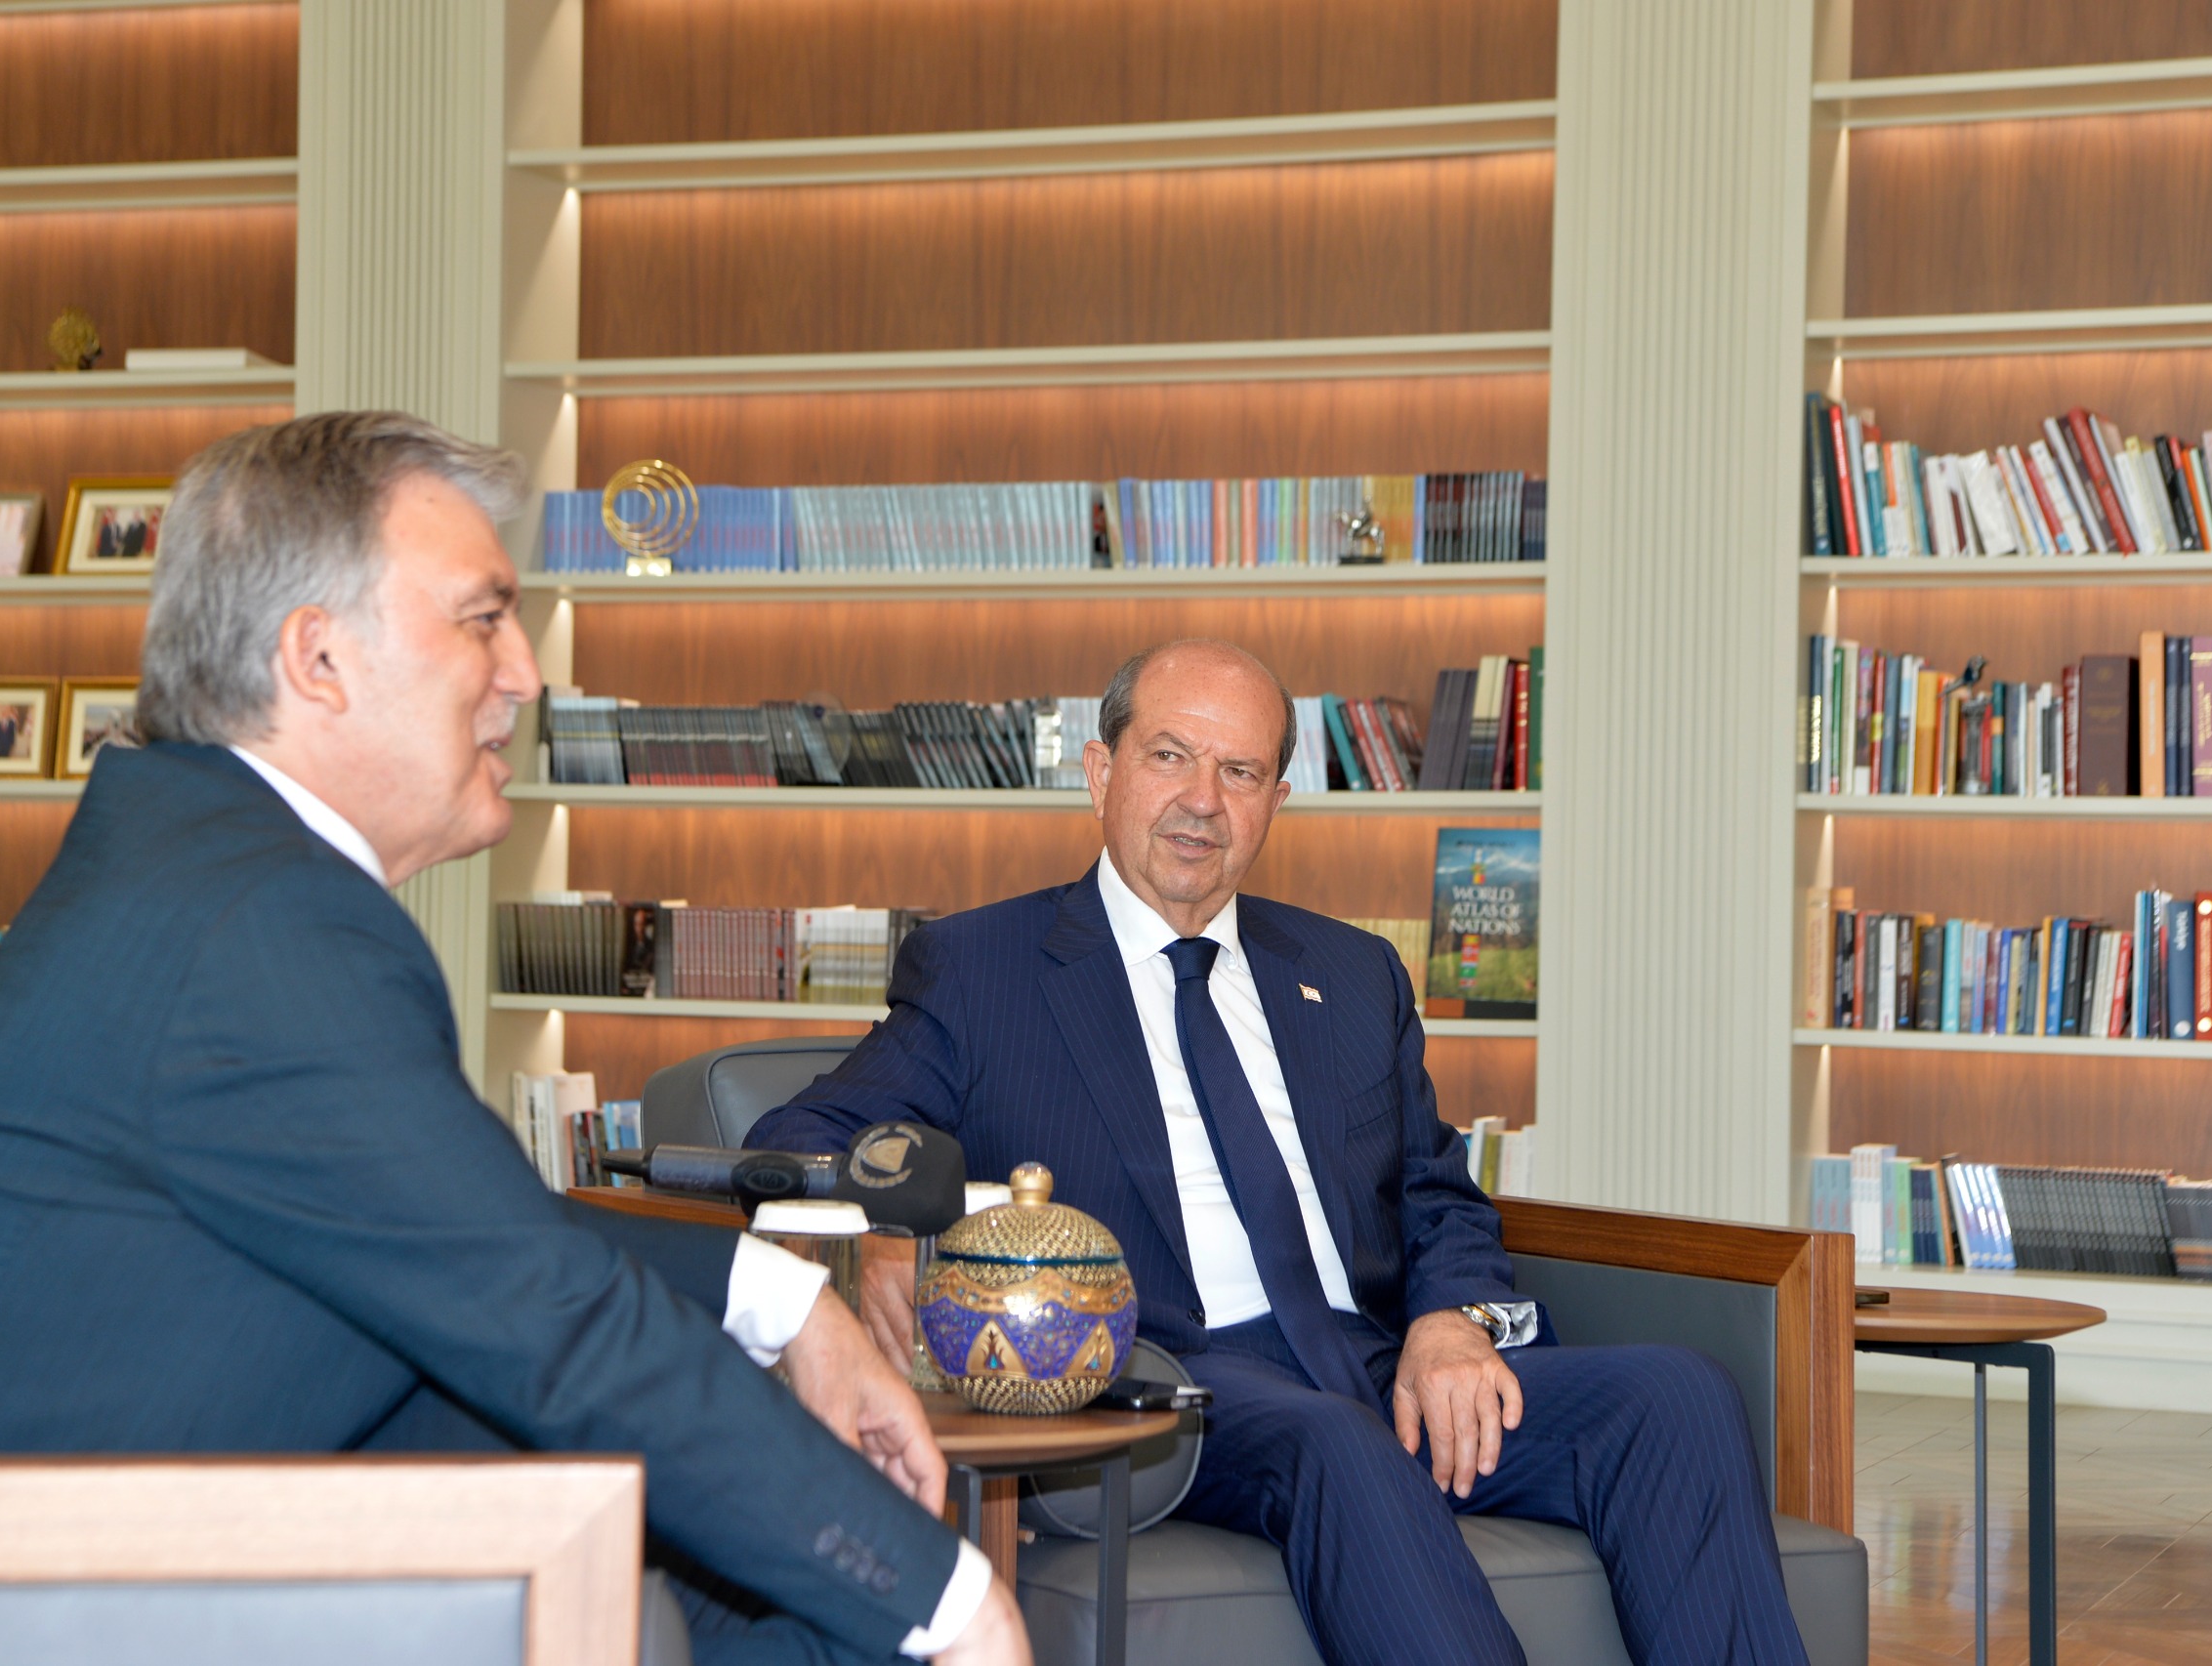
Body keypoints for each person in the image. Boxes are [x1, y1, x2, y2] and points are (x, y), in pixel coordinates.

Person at [0, 412, 1029, 1666]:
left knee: (785, 1601)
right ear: (318, 658)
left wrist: (784, 1302)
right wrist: (959, 1605)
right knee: (871, 1614)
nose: (524, 673)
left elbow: (464, 1227)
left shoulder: (197, 862)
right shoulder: (263, 921)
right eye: (481, 619)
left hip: (138, 1548)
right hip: (68, 1613)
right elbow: (547, 1313)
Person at [752, 640, 1811, 1666]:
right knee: (1335, 1442)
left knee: (1674, 1395)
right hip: (1171, 1378)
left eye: (1241, 771)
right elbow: (802, 1139)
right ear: (1101, 771)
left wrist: (1453, 1318)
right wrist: (876, 1238)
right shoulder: (984, 968)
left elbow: (1436, 1189)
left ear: (1277, 801)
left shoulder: (1350, 973)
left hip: (1376, 1363)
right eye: (1170, 755)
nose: (1202, 800)